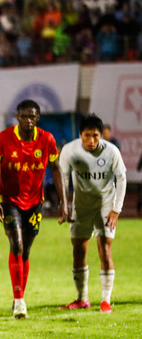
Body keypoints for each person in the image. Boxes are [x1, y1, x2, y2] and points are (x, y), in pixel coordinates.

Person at [0, 99, 68, 319]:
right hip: (8, 200)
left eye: (32, 116)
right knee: (17, 244)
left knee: (26, 250)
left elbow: (56, 168)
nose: (28, 120)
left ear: (38, 118)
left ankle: (18, 297)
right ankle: (20, 301)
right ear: (17, 117)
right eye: (24, 116)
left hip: (34, 202)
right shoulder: (4, 138)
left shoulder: (47, 139)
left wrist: (64, 201)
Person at [59, 114, 127, 312]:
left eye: (95, 136)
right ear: (80, 135)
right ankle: (82, 299)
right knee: (78, 249)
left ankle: (105, 301)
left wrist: (116, 209)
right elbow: (63, 178)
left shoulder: (111, 151)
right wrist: (64, 205)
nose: (91, 140)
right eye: (87, 135)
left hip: (105, 204)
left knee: (104, 248)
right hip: (81, 206)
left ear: (101, 135)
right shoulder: (70, 150)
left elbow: (121, 178)